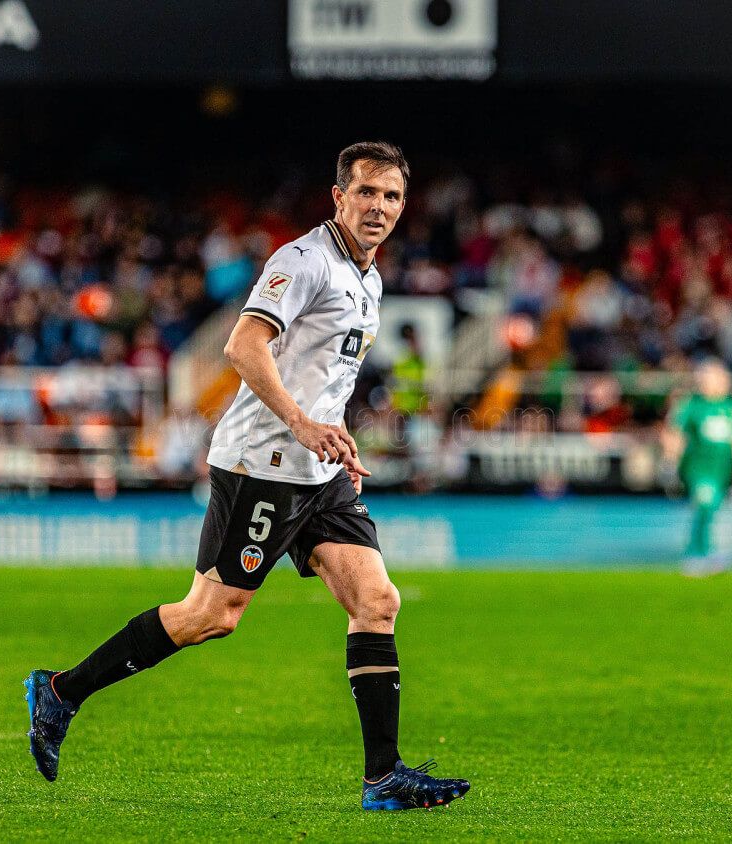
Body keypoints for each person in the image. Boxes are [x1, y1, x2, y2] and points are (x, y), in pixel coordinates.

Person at [23, 142, 470, 811]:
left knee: (377, 601)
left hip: (319, 471)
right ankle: (60, 693)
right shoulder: (304, 260)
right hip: (261, 464)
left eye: (393, 196)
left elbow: (323, 372)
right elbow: (242, 345)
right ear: (338, 196)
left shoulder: (369, 279)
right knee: (212, 616)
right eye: (368, 192)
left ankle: (383, 778)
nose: (380, 207)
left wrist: (333, 434)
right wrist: (300, 423)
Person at [661, 358, 732, 568]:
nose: (722, 382)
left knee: (710, 509)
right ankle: (694, 554)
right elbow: (674, 433)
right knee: (704, 504)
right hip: (697, 467)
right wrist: (670, 460)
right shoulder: (691, 405)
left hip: (722, 468)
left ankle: (706, 550)